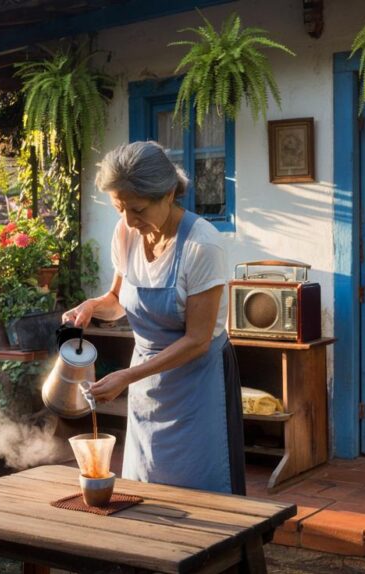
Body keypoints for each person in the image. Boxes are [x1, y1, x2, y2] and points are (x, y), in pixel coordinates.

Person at [62, 141, 245, 495]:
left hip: (198, 383)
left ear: (170, 194)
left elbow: (198, 340)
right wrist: (90, 306)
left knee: (202, 491)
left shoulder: (202, 246)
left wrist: (127, 376)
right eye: (120, 209)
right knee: (144, 486)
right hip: (146, 377)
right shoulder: (126, 233)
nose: (129, 220)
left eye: (138, 209)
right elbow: (117, 300)